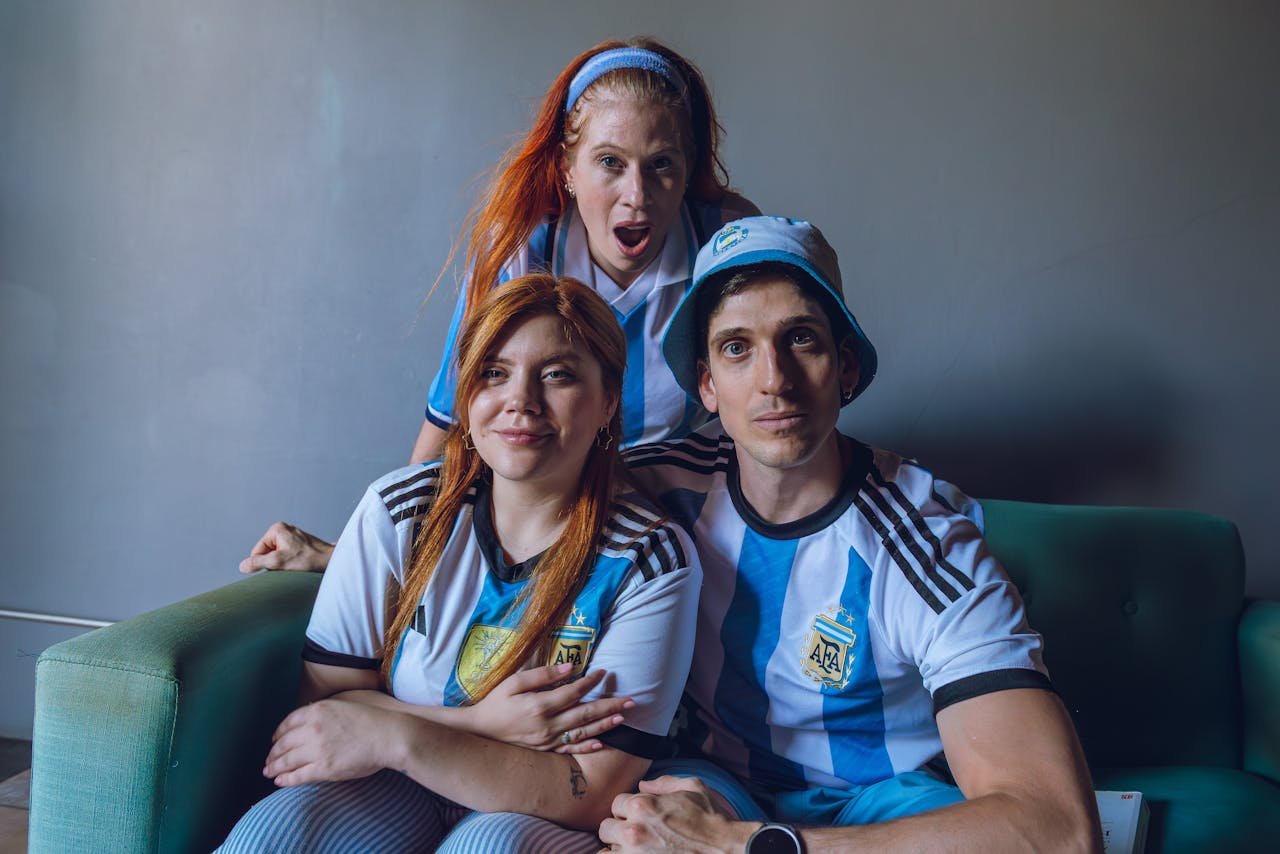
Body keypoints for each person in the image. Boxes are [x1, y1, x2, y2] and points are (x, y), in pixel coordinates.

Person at [445, 217, 1098, 852]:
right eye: (737, 348)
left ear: (845, 367)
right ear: (706, 384)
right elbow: (499, 482)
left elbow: (1059, 829)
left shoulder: (925, 541)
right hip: (712, 784)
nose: (774, 380)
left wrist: (757, 847)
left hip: (885, 802)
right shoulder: (652, 488)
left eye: (801, 340)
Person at [218, 275, 701, 853]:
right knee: (277, 833)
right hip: (397, 788)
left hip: (536, 814)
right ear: (468, 397)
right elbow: (324, 710)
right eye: (494, 373)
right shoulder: (400, 510)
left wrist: (398, 736)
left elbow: (594, 789)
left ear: (608, 401)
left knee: (487, 846)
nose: (520, 400)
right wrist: (478, 724)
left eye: (557, 375)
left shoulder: (650, 559)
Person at [241, 38, 757, 575]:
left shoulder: (729, 242)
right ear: (567, 169)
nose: (637, 194)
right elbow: (453, 420)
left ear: (686, 169)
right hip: (552, 527)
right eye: (610, 162)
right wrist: (353, 555)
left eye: (661, 164)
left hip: (693, 530)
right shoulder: (519, 252)